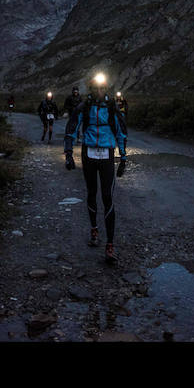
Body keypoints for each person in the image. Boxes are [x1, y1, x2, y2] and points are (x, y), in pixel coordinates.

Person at [63, 72, 127, 266]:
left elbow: (121, 132)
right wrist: (68, 154)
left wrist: (123, 158)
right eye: (96, 88)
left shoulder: (111, 107)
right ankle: (94, 230)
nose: (99, 91)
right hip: (88, 154)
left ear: (106, 89)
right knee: (92, 193)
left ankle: (110, 245)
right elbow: (71, 128)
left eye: (102, 88)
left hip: (106, 154)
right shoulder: (85, 106)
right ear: (91, 89)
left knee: (107, 197)